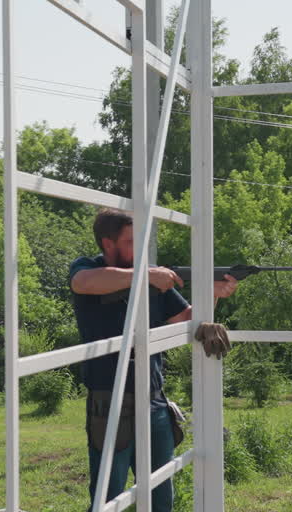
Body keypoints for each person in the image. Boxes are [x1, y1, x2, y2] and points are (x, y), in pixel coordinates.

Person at [70, 208, 237, 512]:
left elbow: (185, 318)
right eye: (133, 241)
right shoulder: (90, 268)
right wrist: (147, 275)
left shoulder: (152, 276)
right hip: (110, 401)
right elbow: (83, 283)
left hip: (154, 398)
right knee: (108, 496)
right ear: (108, 244)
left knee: (161, 495)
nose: (141, 248)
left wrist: (212, 294)